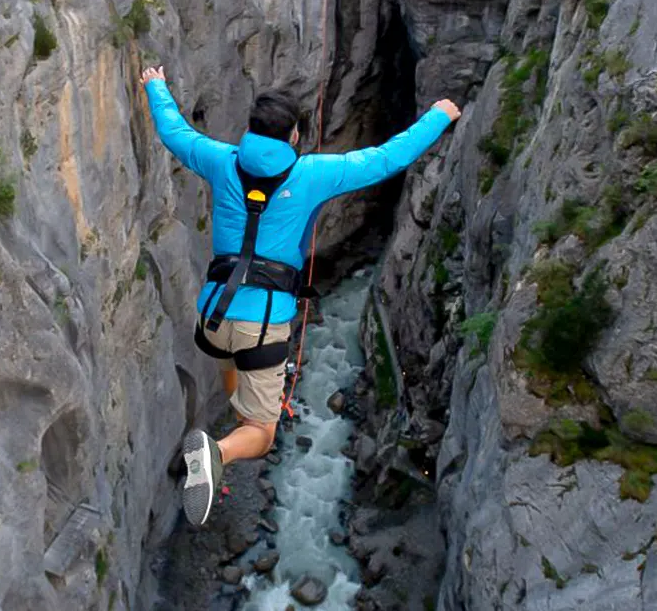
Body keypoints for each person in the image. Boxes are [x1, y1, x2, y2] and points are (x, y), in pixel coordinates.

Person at [140, 66, 460, 526]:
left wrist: (155, 85)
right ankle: (216, 451)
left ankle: (241, 410)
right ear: (293, 135)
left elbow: (174, 132)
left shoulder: (219, 159)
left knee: (234, 361)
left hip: (212, 316)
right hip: (262, 323)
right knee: (263, 434)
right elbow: (387, 158)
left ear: (251, 129)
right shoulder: (313, 173)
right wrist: (437, 115)